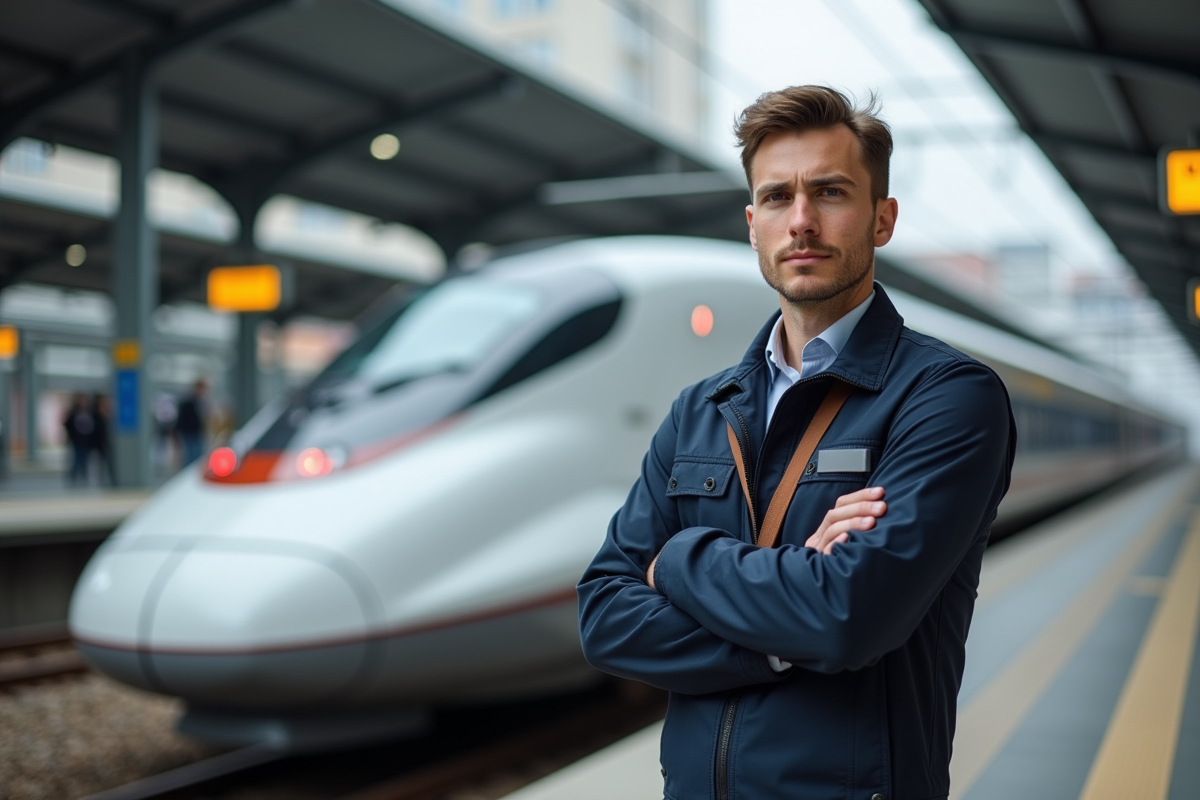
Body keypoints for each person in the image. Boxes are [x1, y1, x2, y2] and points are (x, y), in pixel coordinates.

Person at [577, 86, 1015, 800]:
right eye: (778, 197)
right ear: (753, 225)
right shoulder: (702, 408)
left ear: (882, 218)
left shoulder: (947, 396)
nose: (802, 221)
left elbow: (847, 618)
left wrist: (677, 559)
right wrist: (787, 627)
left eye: (831, 192)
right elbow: (603, 616)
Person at [62, 392, 94, 485]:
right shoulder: (73, 412)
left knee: (85, 460)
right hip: (76, 440)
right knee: (76, 459)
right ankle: (73, 478)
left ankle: (84, 477)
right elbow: (67, 424)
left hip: (85, 440)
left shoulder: (88, 411)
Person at [174, 379, 208, 468]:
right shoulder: (188, 401)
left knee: (197, 455)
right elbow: (181, 418)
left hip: (197, 432)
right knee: (190, 456)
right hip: (188, 432)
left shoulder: (203, 402)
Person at [89, 393, 117, 486]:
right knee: (100, 464)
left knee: (109, 463)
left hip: (107, 443)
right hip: (99, 444)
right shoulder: (95, 415)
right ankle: (101, 481)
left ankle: (113, 480)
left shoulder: (107, 415)